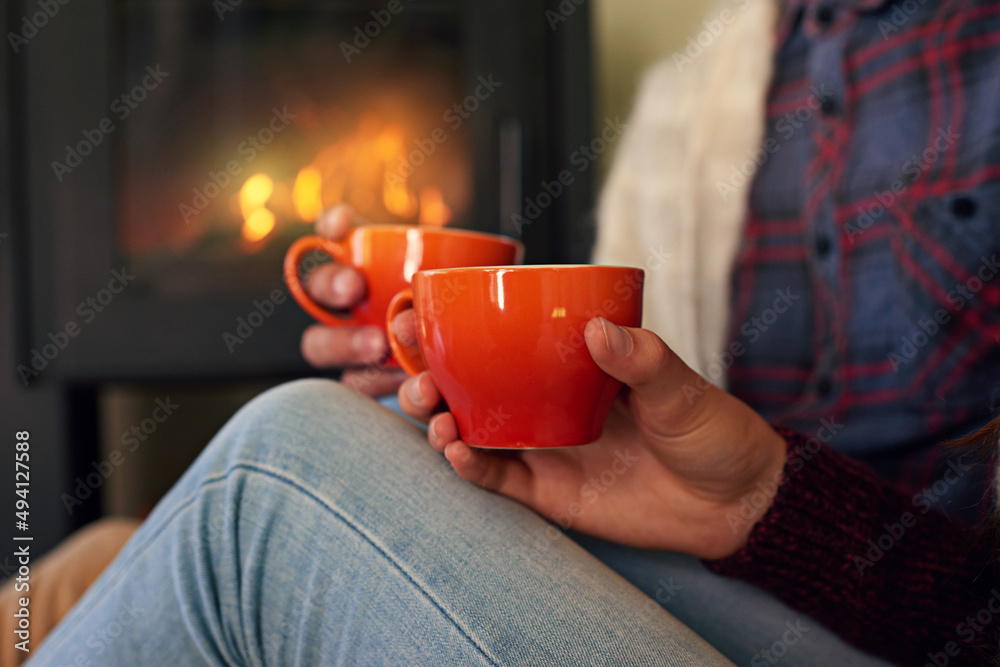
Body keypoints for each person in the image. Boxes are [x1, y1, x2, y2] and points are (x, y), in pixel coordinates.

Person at [26, 0, 1000, 663]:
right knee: (100, 557)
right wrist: (753, 499)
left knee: (266, 477)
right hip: (761, 569)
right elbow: (630, 409)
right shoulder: (714, 83)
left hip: (911, 626)